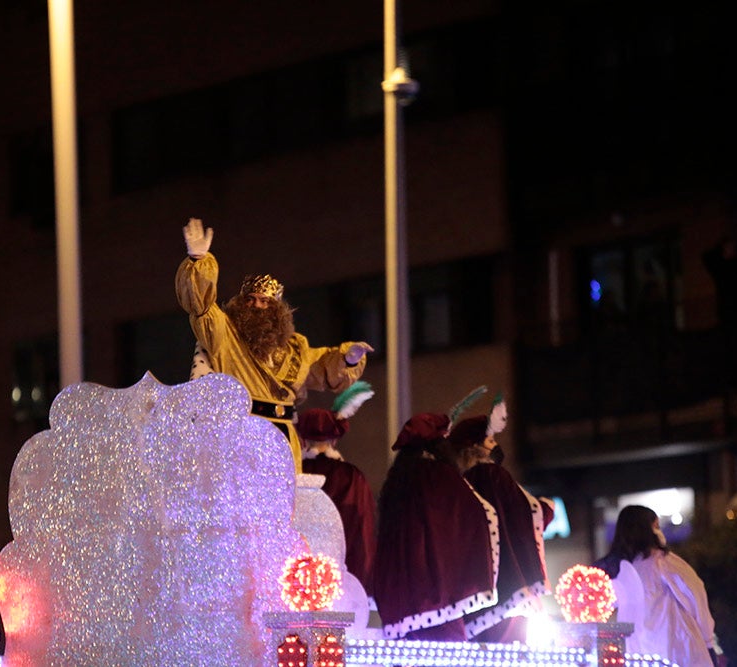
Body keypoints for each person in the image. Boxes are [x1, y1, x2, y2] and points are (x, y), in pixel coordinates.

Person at [176, 217, 373, 472]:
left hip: (283, 438)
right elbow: (201, 307)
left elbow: (321, 368)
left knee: (284, 508)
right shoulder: (224, 335)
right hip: (243, 435)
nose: (257, 306)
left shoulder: (295, 347)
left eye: (265, 301)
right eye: (251, 300)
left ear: (277, 309)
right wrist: (198, 264)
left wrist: (348, 359)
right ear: (241, 303)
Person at [372, 412, 500, 642]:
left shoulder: (398, 480)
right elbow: (477, 514)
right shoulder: (440, 475)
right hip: (437, 600)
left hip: (401, 603)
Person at [450, 399, 555, 643]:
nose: (496, 445)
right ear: (475, 446)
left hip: (474, 592)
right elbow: (521, 514)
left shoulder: (460, 484)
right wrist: (546, 509)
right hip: (507, 589)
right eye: (490, 440)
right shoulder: (493, 475)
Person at [594, 505, 726, 667]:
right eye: (656, 526)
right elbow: (695, 595)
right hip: (678, 649)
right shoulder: (664, 562)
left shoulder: (617, 570)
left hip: (639, 654)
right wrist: (707, 640)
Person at [295, 381, 377, 599]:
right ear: (335, 439)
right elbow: (362, 532)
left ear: (302, 439)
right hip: (343, 581)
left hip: (297, 581)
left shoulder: (293, 474)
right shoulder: (351, 476)